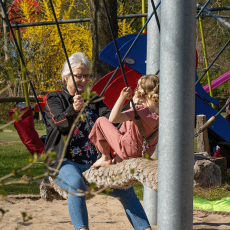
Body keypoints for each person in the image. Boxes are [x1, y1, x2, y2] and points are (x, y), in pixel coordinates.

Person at [44, 52, 152, 230]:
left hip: (96, 163)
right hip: (64, 162)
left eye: (86, 76)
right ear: (66, 77)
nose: (84, 80)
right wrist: (72, 109)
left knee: (125, 188)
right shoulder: (54, 98)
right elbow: (60, 123)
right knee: (76, 183)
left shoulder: (93, 99)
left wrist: (131, 103)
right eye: (78, 76)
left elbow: (112, 120)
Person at [89, 74, 159, 167]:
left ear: (141, 93)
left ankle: (105, 157)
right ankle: (118, 158)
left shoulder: (139, 109)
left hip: (128, 150)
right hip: (147, 151)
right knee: (130, 119)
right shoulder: (162, 112)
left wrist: (122, 98)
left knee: (101, 120)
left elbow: (113, 119)